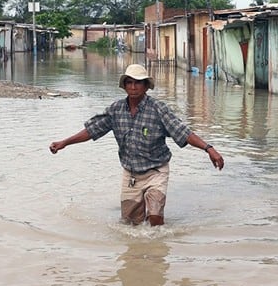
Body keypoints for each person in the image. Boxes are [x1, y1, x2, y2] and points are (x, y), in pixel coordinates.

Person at [49, 64, 224, 226]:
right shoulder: (116, 110)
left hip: (156, 171)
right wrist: (65, 142)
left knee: (155, 216)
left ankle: (157, 252)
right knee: (130, 223)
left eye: (138, 83)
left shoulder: (158, 109)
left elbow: (184, 132)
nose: (133, 87)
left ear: (146, 86)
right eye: (129, 83)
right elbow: (91, 130)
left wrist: (209, 148)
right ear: (124, 86)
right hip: (131, 173)